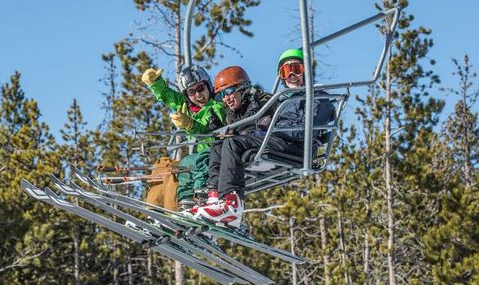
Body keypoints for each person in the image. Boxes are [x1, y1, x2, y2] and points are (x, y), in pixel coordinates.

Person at [190, 50, 335, 229]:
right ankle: (213, 200)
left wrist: (266, 131)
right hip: (280, 141)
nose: (291, 75)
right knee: (218, 147)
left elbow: (303, 131)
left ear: (305, 70)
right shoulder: (285, 99)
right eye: (285, 71)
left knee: (233, 143)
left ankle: (231, 203)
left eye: (296, 69)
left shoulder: (318, 97)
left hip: (296, 147)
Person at [142, 65, 225, 210]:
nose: (198, 95)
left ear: (208, 86)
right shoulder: (185, 105)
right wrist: (155, 83)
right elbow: (167, 95)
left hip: (216, 151)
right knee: (173, 166)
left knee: (193, 162)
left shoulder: (217, 105)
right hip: (201, 154)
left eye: (200, 89)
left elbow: (214, 132)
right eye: (192, 92)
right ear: (187, 95)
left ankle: (202, 199)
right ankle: (169, 207)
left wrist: (191, 125)